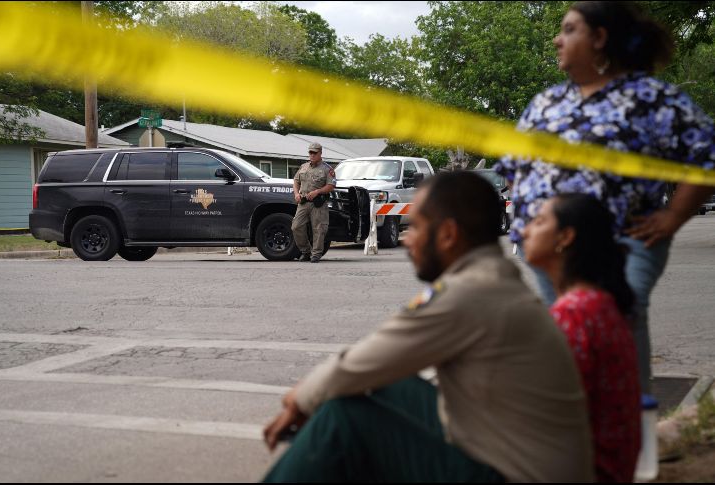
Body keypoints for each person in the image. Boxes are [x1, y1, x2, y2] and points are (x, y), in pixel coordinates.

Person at [262, 172, 594, 483]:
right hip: (520, 454)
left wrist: (301, 399)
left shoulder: (470, 293)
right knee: (386, 382)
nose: (408, 241)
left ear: (448, 234)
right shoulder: (490, 278)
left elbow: (361, 362)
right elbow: (374, 360)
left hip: (516, 474)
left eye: (417, 227)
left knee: (344, 418)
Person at [495, 1, 715, 393]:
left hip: (623, 242)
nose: (556, 39)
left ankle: (633, 431)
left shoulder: (650, 98)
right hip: (552, 249)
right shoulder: (546, 102)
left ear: (599, 38)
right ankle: (583, 434)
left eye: (569, 30)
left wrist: (673, 217)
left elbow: (707, 155)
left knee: (618, 322)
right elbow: (513, 168)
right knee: (568, 336)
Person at [522, 193, 641, 482]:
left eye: (538, 222)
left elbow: (542, 414)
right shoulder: (597, 303)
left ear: (565, 237)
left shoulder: (574, 314)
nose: (525, 230)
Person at [292, 142, 337, 263]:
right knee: (296, 226)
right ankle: (306, 251)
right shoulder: (304, 167)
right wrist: (296, 193)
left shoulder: (327, 169)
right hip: (303, 202)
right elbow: (296, 181)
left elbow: (331, 185)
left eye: (314, 153)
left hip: (318, 203)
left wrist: (318, 191)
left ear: (320, 153)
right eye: (310, 152)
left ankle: (316, 254)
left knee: (318, 229)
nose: (312, 155)